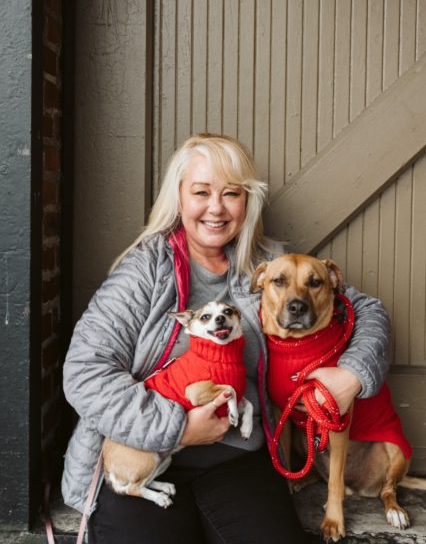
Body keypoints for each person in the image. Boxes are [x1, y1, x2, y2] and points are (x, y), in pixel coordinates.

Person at [62, 133, 391, 544]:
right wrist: (177, 428)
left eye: (231, 193)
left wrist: (352, 375)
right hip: (144, 456)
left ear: (247, 201)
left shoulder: (268, 265)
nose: (216, 208)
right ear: (179, 197)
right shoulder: (142, 273)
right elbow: (84, 374)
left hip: (239, 460)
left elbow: (369, 311)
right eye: (201, 192)